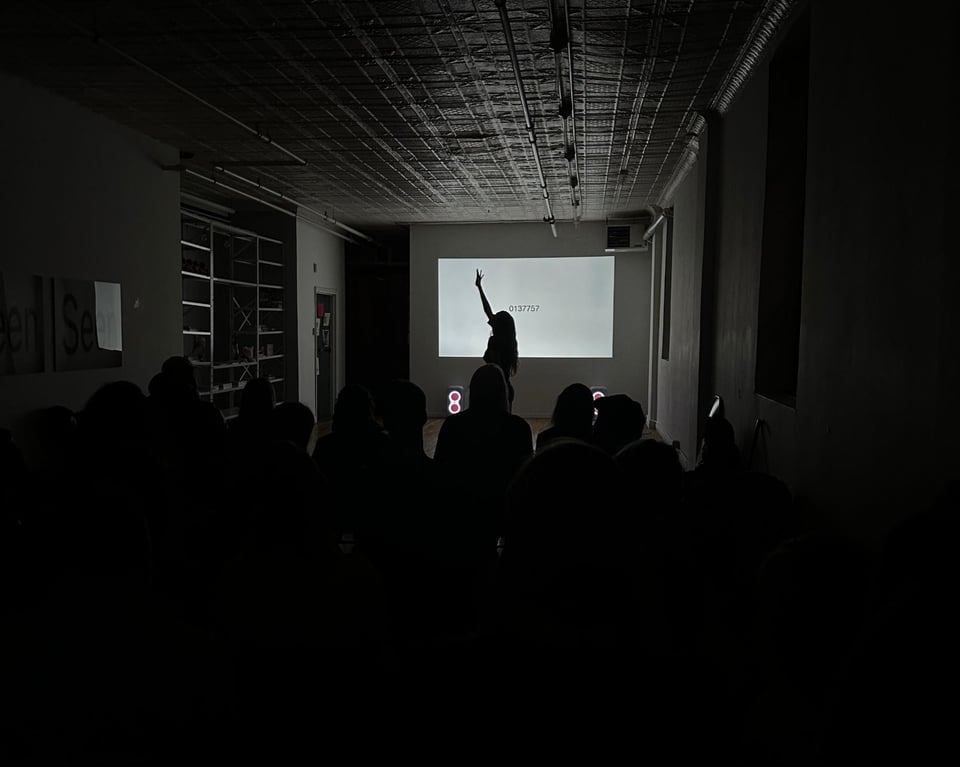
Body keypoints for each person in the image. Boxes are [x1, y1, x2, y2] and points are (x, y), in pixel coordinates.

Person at [475, 269, 518, 412]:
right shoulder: (510, 342)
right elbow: (488, 311)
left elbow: (494, 366)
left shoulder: (495, 342)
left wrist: (479, 287)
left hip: (496, 390)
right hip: (506, 388)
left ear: (498, 326)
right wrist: (479, 287)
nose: (492, 317)